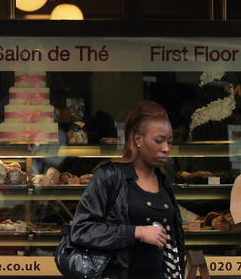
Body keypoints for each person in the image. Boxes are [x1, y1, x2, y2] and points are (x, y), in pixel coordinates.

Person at [69, 101, 185, 279]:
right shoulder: (109, 175)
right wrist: (137, 232)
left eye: (170, 141)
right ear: (138, 139)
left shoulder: (164, 181)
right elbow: (82, 230)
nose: (166, 148)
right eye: (159, 140)